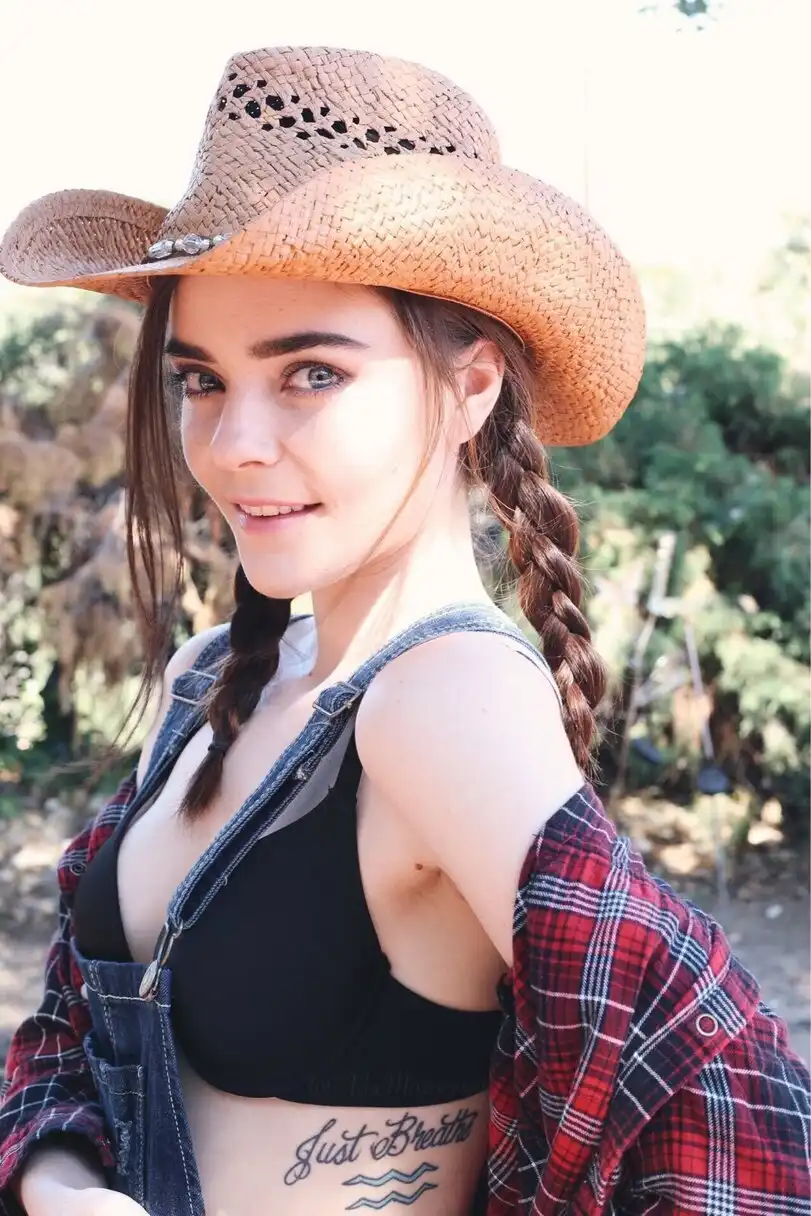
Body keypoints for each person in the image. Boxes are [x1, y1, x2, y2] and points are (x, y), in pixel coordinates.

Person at [0, 43, 808, 1216]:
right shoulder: (207, 680)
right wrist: (65, 1186)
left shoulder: (444, 701)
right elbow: (66, 1037)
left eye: (311, 374)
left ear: (471, 387)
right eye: (201, 379)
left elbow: (730, 1115)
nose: (233, 445)